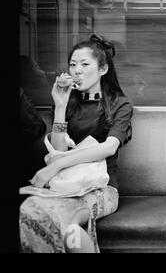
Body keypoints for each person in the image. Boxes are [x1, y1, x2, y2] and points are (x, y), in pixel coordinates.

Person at [19, 34, 133, 253]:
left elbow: (109, 147)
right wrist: (60, 106)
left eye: (84, 64)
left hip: (101, 187)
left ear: (103, 69)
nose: (77, 70)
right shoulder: (67, 103)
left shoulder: (120, 104)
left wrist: (55, 166)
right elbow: (58, 150)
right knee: (29, 209)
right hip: (64, 186)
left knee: (61, 221)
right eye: (72, 65)